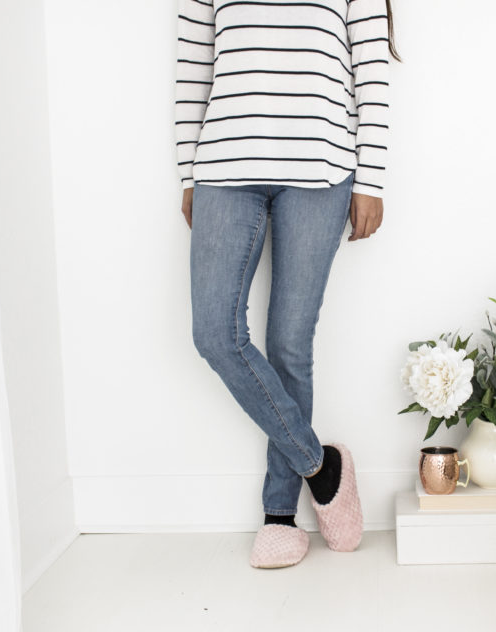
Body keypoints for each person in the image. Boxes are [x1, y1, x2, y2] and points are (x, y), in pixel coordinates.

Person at [175, 0, 397, 568]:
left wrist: (371, 178)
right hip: (224, 168)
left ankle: (280, 515)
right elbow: (194, 67)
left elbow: (370, 71)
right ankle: (321, 467)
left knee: (290, 345)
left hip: (321, 170)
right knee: (215, 335)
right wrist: (187, 172)